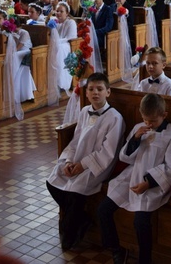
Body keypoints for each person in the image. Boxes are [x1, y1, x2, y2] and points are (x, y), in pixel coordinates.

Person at [98, 93, 171, 264]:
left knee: (141, 222)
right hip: (131, 175)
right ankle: (116, 249)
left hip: (153, 182)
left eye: (153, 121)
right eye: (145, 120)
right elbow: (125, 157)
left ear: (164, 115)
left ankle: (145, 260)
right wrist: (135, 139)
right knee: (103, 210)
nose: (149, 125)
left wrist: (148, 183)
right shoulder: (139, 127)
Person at [46, 73, 125, 251]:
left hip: (99, 165)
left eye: (99, 89)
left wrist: (83, 165)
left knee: (76, 190)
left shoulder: (114, 118)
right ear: (86, 93)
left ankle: (69, 233)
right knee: (52, 181)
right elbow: (75, 141)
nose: (95, 93)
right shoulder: (84, 112)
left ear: (108, 92)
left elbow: (108, 152)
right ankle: (81, 219)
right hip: (78, 159)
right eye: (91, 89)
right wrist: (69, 161)